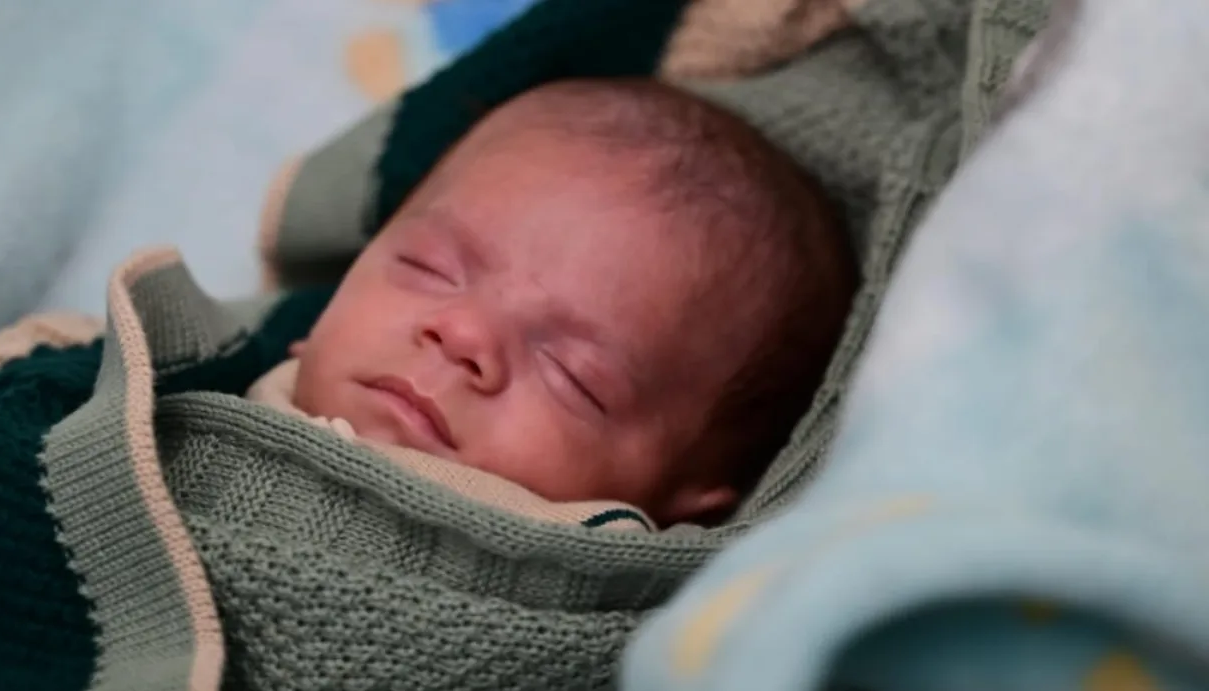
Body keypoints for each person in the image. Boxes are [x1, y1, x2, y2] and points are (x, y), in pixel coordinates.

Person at [273, 78, 856, 527]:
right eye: (427, 269)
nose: (465, 334)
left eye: (572, 377)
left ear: (684, 505)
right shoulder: (205, 379)